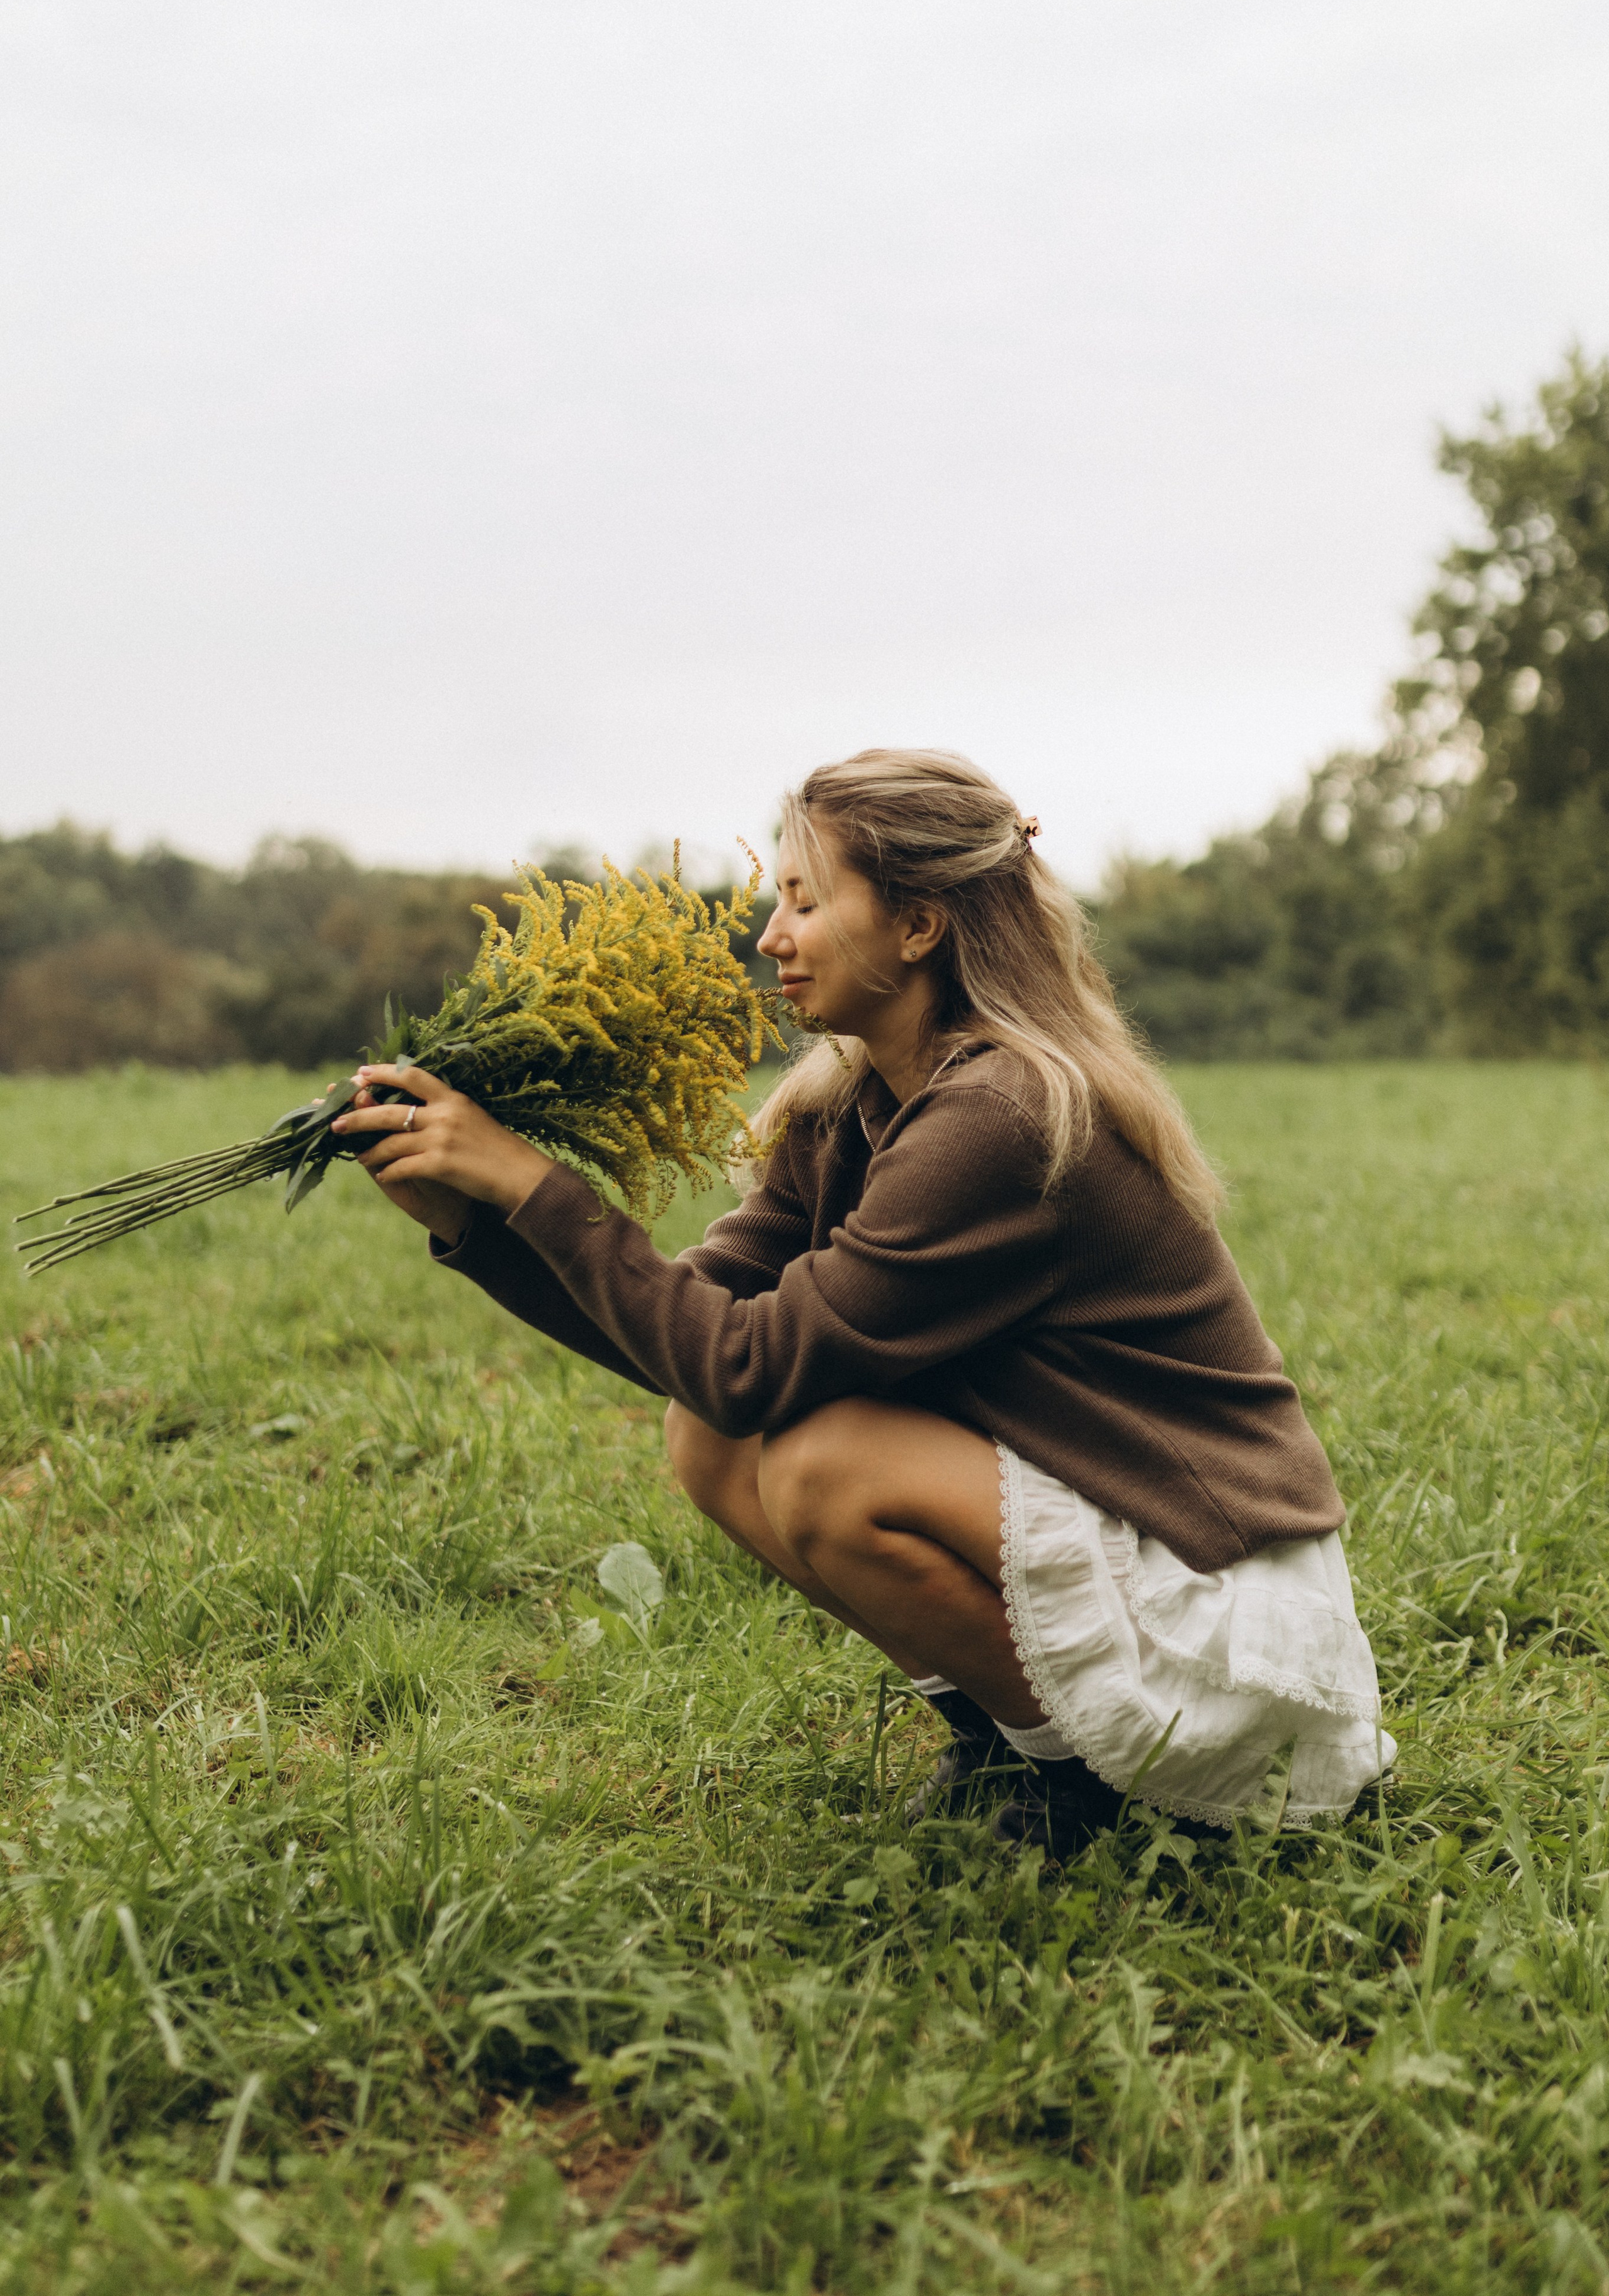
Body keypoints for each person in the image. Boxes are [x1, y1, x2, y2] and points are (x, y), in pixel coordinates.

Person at [333, 748, 1394, 1855]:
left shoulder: (1002, 1115)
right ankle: (1008, 1741)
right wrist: (471, 1222)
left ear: (918, 925)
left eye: (803, 900)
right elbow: (696, 1346)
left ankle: (1082, 1787)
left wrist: (530, 1182)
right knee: (709, 1436)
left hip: (1220, 1608)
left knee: (818, 1460)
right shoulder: (850, 1108)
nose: (770, 936)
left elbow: (748, 1366)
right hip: (1105, 1514)